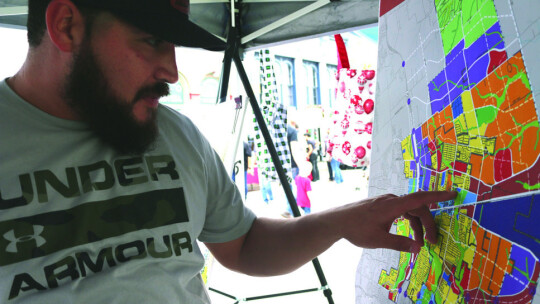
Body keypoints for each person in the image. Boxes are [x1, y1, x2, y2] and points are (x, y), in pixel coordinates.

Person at [0, 0, 457, 302]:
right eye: (152, 40)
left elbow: (243, 245)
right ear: (66, 25)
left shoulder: (176, 135)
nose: (172, 71)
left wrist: (340, 221)